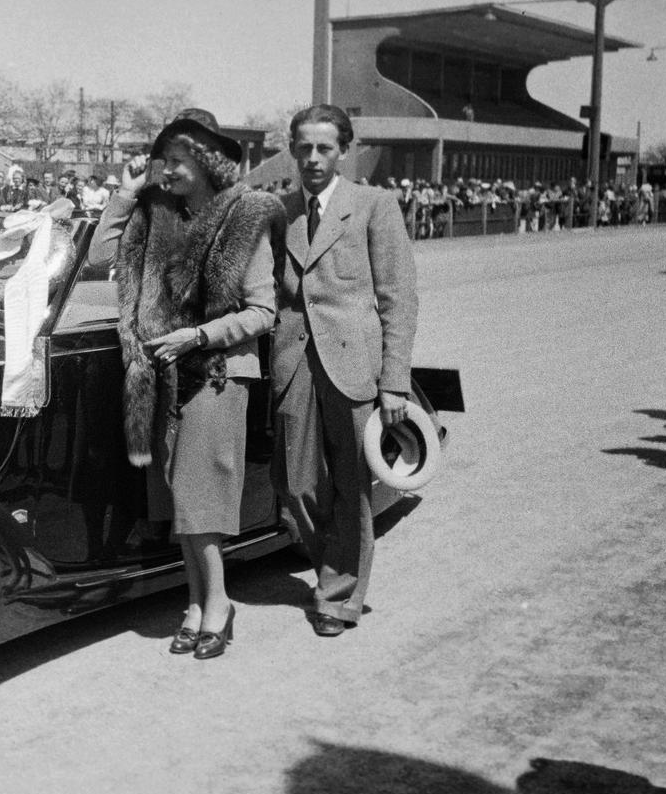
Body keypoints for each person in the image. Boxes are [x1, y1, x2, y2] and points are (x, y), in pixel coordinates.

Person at [88, 109, 283, 660]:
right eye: (164, 160)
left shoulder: (244, 217)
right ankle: (196, 605)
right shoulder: (155, 215)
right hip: (166, 376)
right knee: (181, 499)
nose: (165, 170)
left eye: (176, 160)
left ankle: (217, 602)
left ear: (203, 161)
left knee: (201, 500)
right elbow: (100, 258)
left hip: (219, 373)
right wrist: (125, 196)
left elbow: (263, 310)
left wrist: (198, 337)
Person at [272, 105, 419, 637]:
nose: (313, 158)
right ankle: (331, 567)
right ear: (292, 149)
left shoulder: (374, 205)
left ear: (344, 151)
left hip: (355, 366)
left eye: (325, 148)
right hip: (294, 365)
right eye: (304, 147)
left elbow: (397, 297)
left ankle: (337, 596)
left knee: (353, 486)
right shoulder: (279, 211)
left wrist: (394, 381)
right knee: (295, 485)